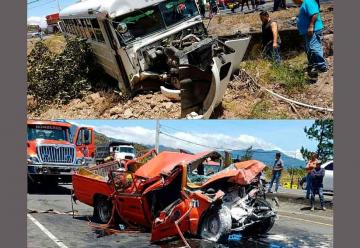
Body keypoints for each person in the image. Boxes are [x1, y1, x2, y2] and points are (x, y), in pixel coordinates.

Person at [293, 0, 327, 78]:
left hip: (312, 30)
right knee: (309, 49)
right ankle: (313, 65)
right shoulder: (304, 4)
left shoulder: (308, 2)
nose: (293, 1)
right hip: (307, 32)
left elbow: (315, 14)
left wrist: (311, 26)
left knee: (313, 47)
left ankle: (321, 66)